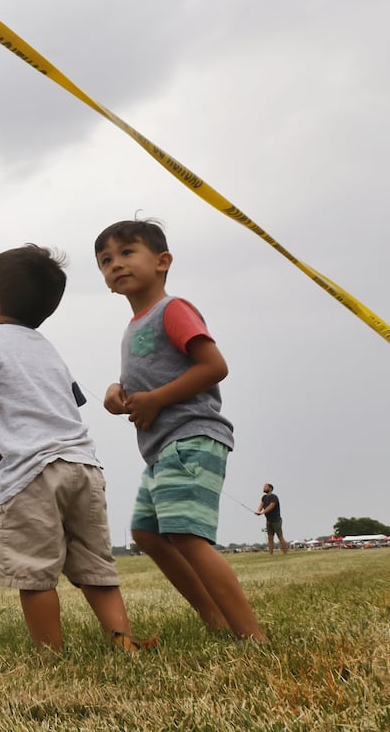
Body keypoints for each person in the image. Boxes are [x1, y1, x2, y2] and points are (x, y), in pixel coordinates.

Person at [0, 244, 154, 653]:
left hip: (31, 473)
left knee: (34, 572)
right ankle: (124, 642)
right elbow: (70, 400)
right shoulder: (47, 348)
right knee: (96, 567)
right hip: (83, 467)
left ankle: (51, 653)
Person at [94, 219, 269, 643]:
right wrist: (117, 392)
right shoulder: (134, 326)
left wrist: (156, 400)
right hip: (160, 448)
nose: (116, 264)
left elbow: (214, 367)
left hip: (192, 435)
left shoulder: (173, 310)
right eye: (105, 260)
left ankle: (252, 637)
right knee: (147, 533)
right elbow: (143, 380)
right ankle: (216, 621)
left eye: (127, 252)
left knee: (186, 536)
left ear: (162, 261)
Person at [255, 483, 289, 555]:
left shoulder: (274, 497)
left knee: (280, 537)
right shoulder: (264, 497)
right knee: (270, 538)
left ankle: (285, 552)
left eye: (265, 487)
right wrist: (258, 511)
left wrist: (262, 512)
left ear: (270, 488)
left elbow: (271, 506)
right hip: (269, 520)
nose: (263, 488)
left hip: (276, 520)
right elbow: (261, 505)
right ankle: (271, 554)